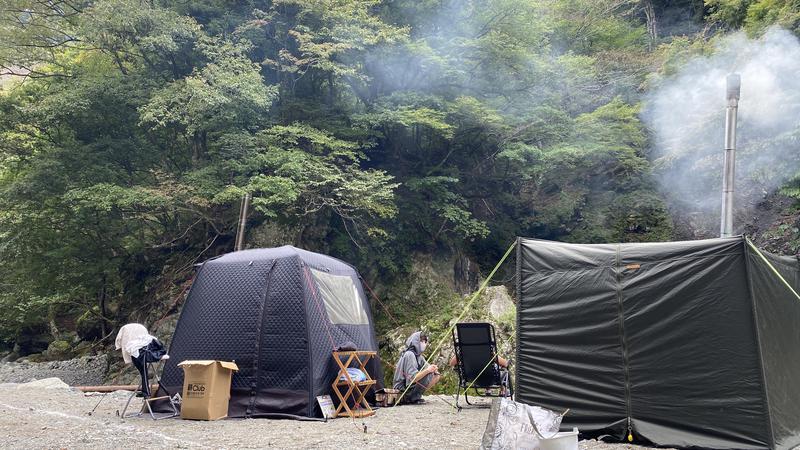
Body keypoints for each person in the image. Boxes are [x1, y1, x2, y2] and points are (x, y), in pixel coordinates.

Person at [392, 331, 441, 404]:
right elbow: (412, 378)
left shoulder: (419, 356)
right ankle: (409, 398)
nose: (424, 343)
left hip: (409, 387)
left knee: (436, 375)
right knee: (428, 373)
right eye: (421, 341)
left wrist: (434, 370)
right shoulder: (409, 354)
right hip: (401, 390)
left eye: (425, 341)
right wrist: (428, 370)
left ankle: (416, 396)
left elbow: (428, 367)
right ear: (415, 341)